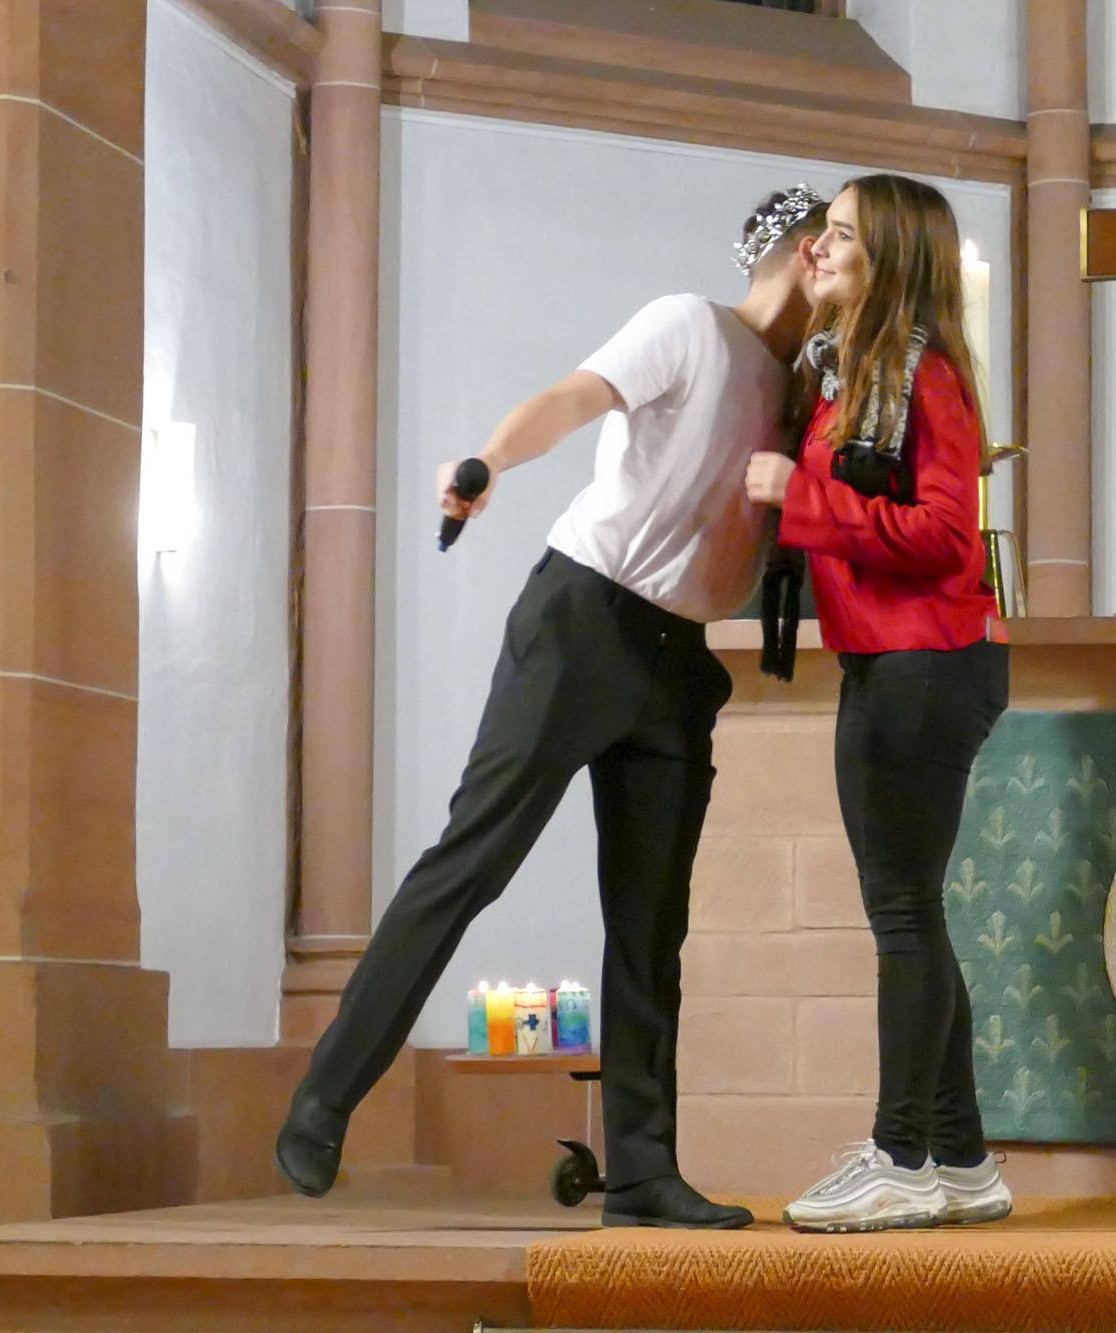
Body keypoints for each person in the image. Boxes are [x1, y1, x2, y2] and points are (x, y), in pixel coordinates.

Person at [276, 185, 828, 1229]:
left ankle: (643, 1173)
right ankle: (324, 1097)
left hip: (680, 662)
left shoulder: (802, 394)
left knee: (650, 923)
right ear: (806, 253)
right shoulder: (688, 324)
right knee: (472, 859)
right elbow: (577, 396)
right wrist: (489, 458)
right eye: (839, 249)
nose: (849, 273)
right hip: (583, 621)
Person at [743, 174, 1012, 1233]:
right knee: (912, 913)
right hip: (891, 662)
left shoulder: (925, 375)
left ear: (888, 255)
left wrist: (798, 495)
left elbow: (946, 536)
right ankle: (962, 1160)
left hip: (926, 663)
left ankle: (900, 1156)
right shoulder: (848, 367)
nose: (817, 246)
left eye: (841, 234)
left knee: (902, 915)